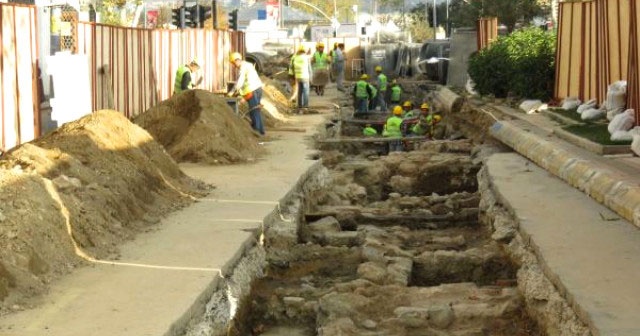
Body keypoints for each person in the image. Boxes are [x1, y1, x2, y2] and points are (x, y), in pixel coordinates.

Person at [228, 52, 265, 135]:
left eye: (234, 63)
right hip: (258, 89)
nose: (234, 65)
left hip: (252, 91)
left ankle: (256, 130)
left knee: (254, 111)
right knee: (256, 110)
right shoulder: (248, 65)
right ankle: (261, 130)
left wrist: (232, 92)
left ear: (237, 60)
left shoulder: (243, 67)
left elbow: (240, 82)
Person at [289, 45, 312, 109]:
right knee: (306, 91)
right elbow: (309, 69)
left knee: (300, 91)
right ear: (304, 51)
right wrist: (311, 78)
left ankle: (299, 105)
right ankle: (305, 106)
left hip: (298, 77)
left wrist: (291, 77)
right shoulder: (306, 58)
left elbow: (291, 68)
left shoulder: (295, 57)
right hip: (305, 77)